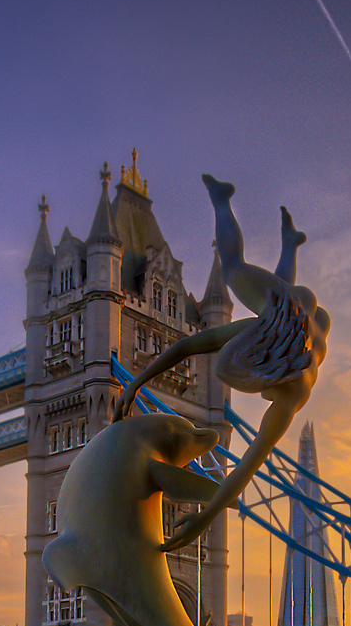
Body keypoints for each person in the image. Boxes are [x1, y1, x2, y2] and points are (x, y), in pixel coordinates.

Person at [113, 175, 331, 553]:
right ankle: (282, 238)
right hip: (292, 316)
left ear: (264, 377)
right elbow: (188, 347)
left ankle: (225, 201)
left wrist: (205, 516)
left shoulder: (292, 394)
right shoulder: (264, 328)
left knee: (234, 268)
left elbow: (246, 465)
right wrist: (134, 383)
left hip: (301, 320)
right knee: (255, 280)